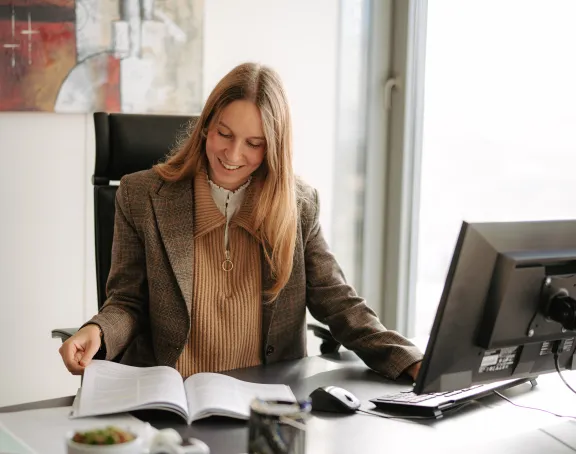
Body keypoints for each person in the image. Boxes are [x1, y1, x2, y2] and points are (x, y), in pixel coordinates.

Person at [59, 62, 423, 380]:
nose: (233, 155)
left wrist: (412, 361)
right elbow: (127, 302)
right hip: (172, 398)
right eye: (224, 134)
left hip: (267, 400)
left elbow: (338, 302)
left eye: (254, 143)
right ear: (206, 126)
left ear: (274, 147)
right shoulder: (141, 196)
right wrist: (98, 330)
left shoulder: (298, 205)